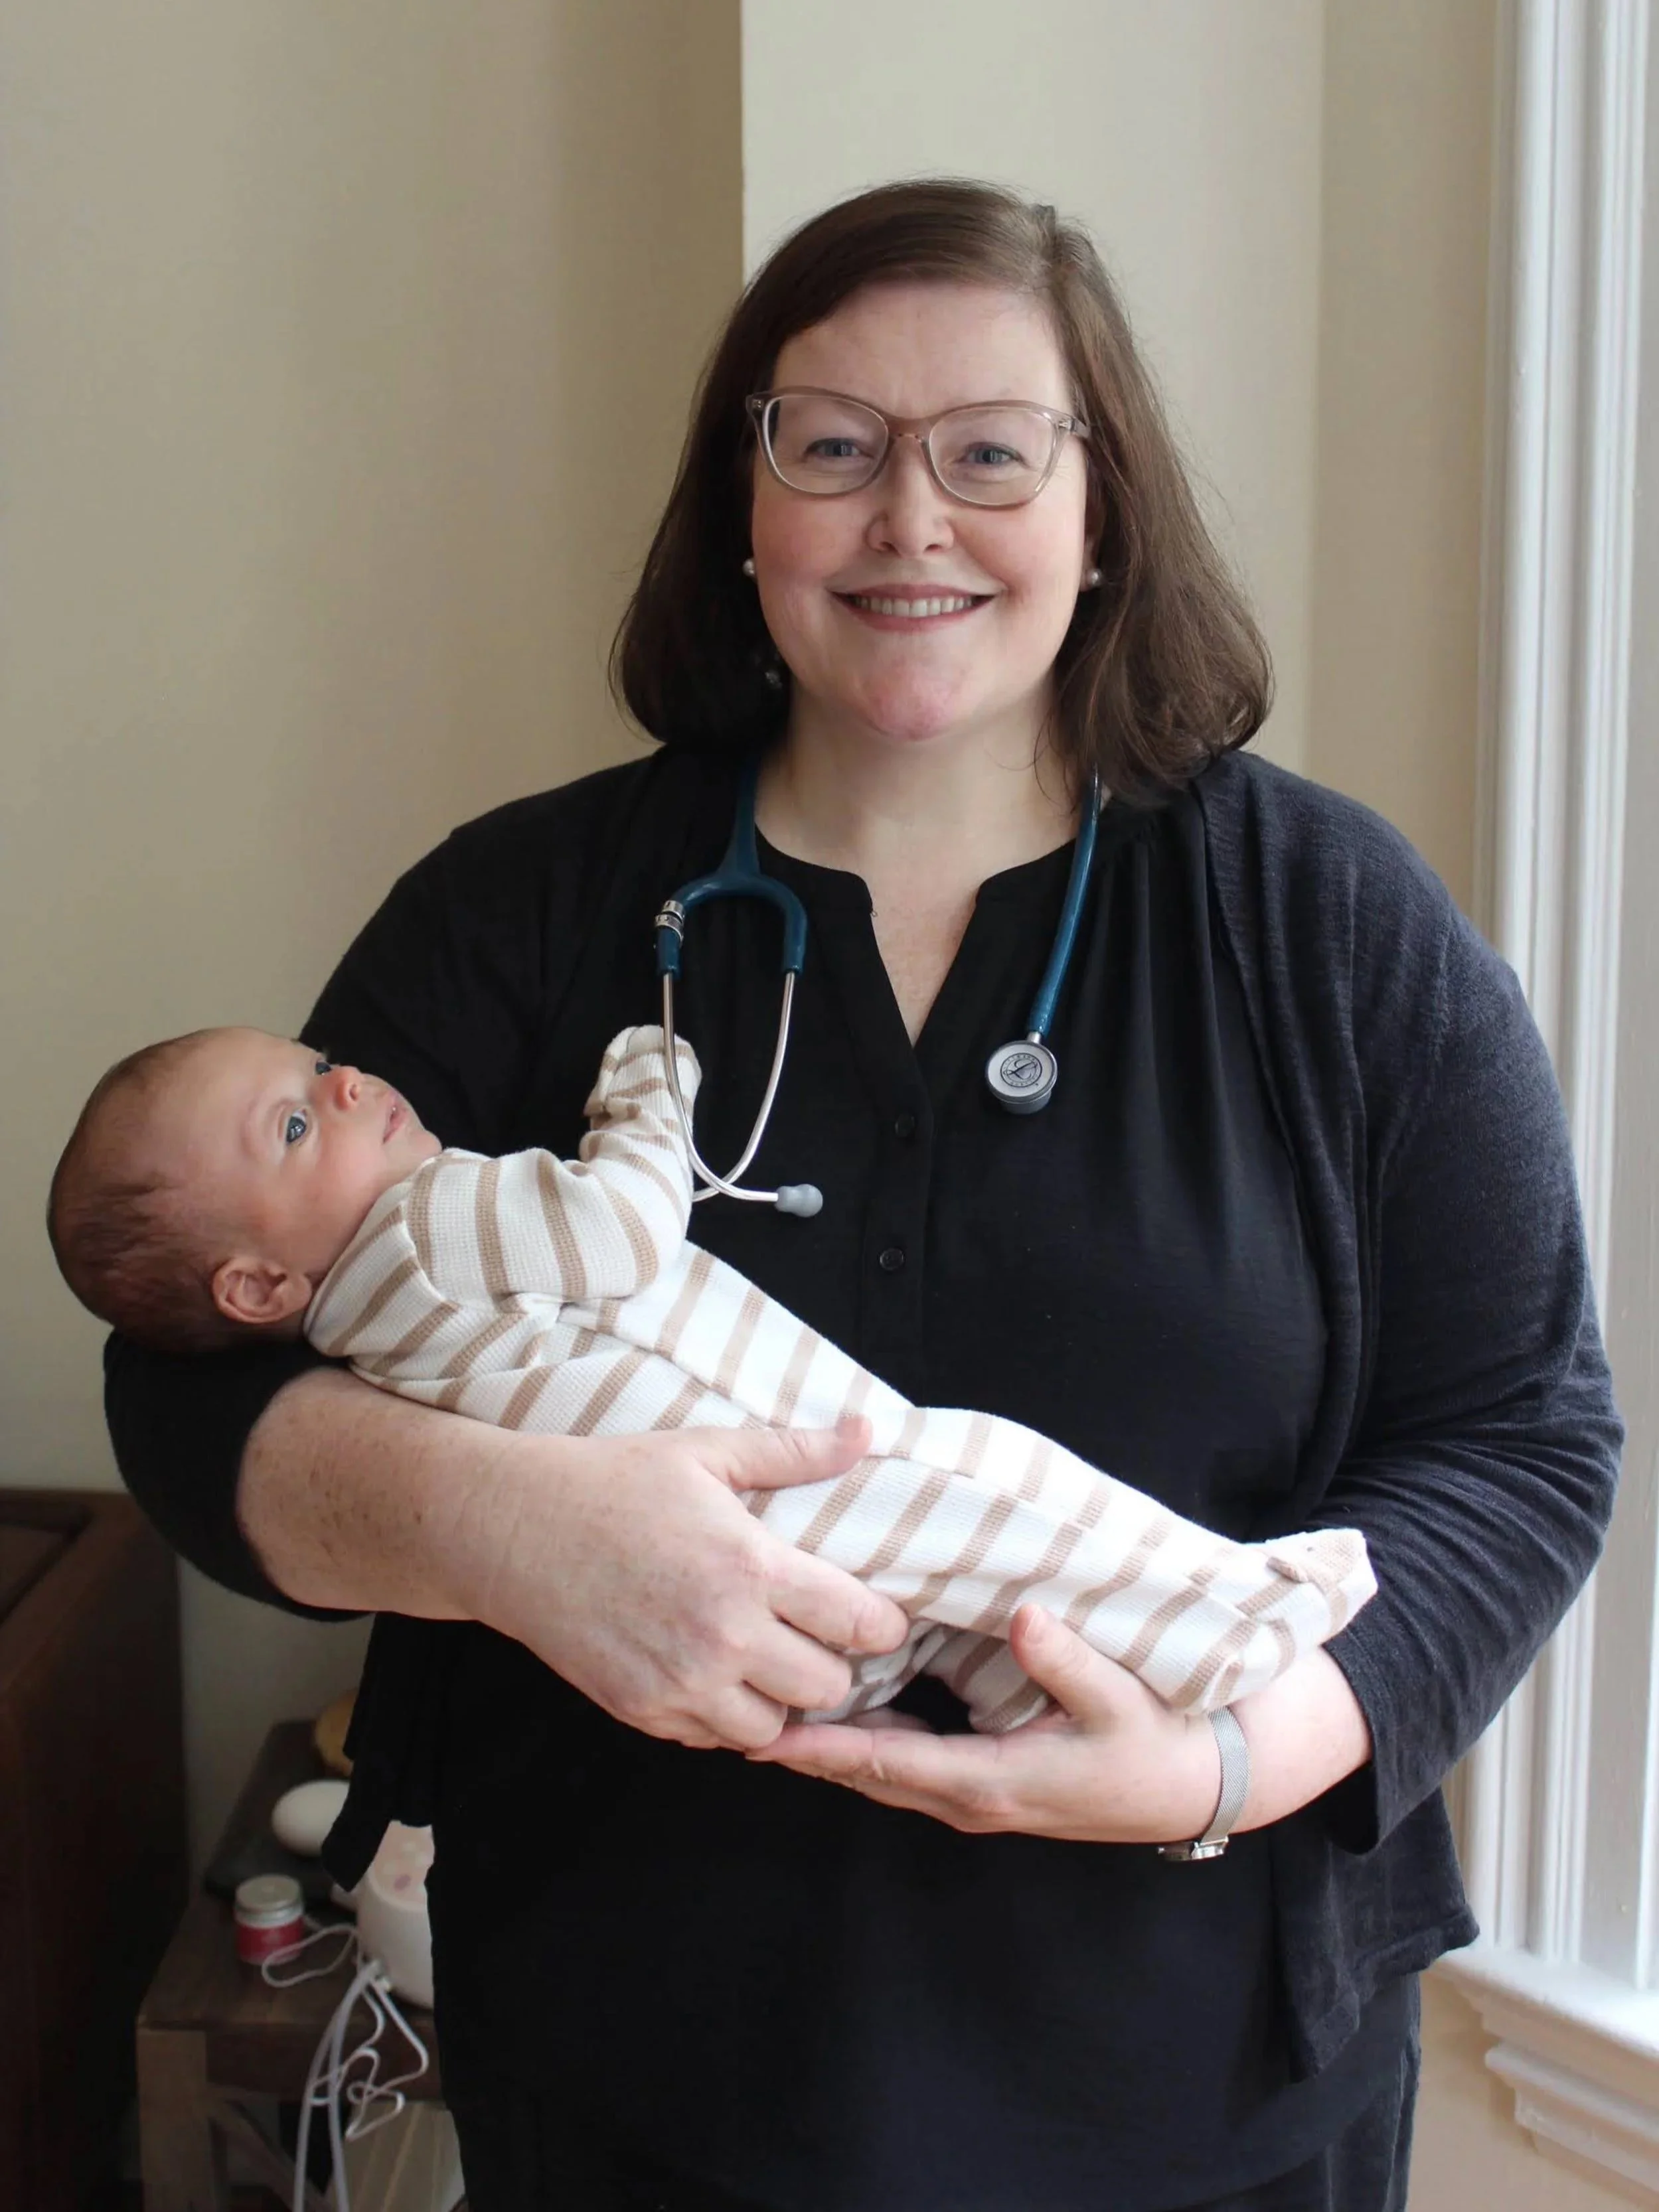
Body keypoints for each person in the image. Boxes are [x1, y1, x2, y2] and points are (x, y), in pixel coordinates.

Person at [102, 180, 1620, 2212]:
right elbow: (190, 1382)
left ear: (1105, 513)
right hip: (643, 2089)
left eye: (991, 451)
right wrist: (498, 1523)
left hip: (1207, 2095)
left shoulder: (1330, 925)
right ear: (746, 504)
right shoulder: (522, 914)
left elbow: (1522, 1437)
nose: (912, 519)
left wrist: (1234, 1759)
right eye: (831, 447)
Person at [50, 1019, 1374, 1732]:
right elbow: (624, 1224)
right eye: (292, 1122)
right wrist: (645, 1086)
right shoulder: (429, 1219)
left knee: (964, 1612)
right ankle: (1227, 1612)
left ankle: (1044, 1706)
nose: (342, 1088)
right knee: (999, 1485)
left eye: (318, 1067)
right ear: (257, 1289)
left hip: (762, 1630)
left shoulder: (362, 1334)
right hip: (780, 1476)